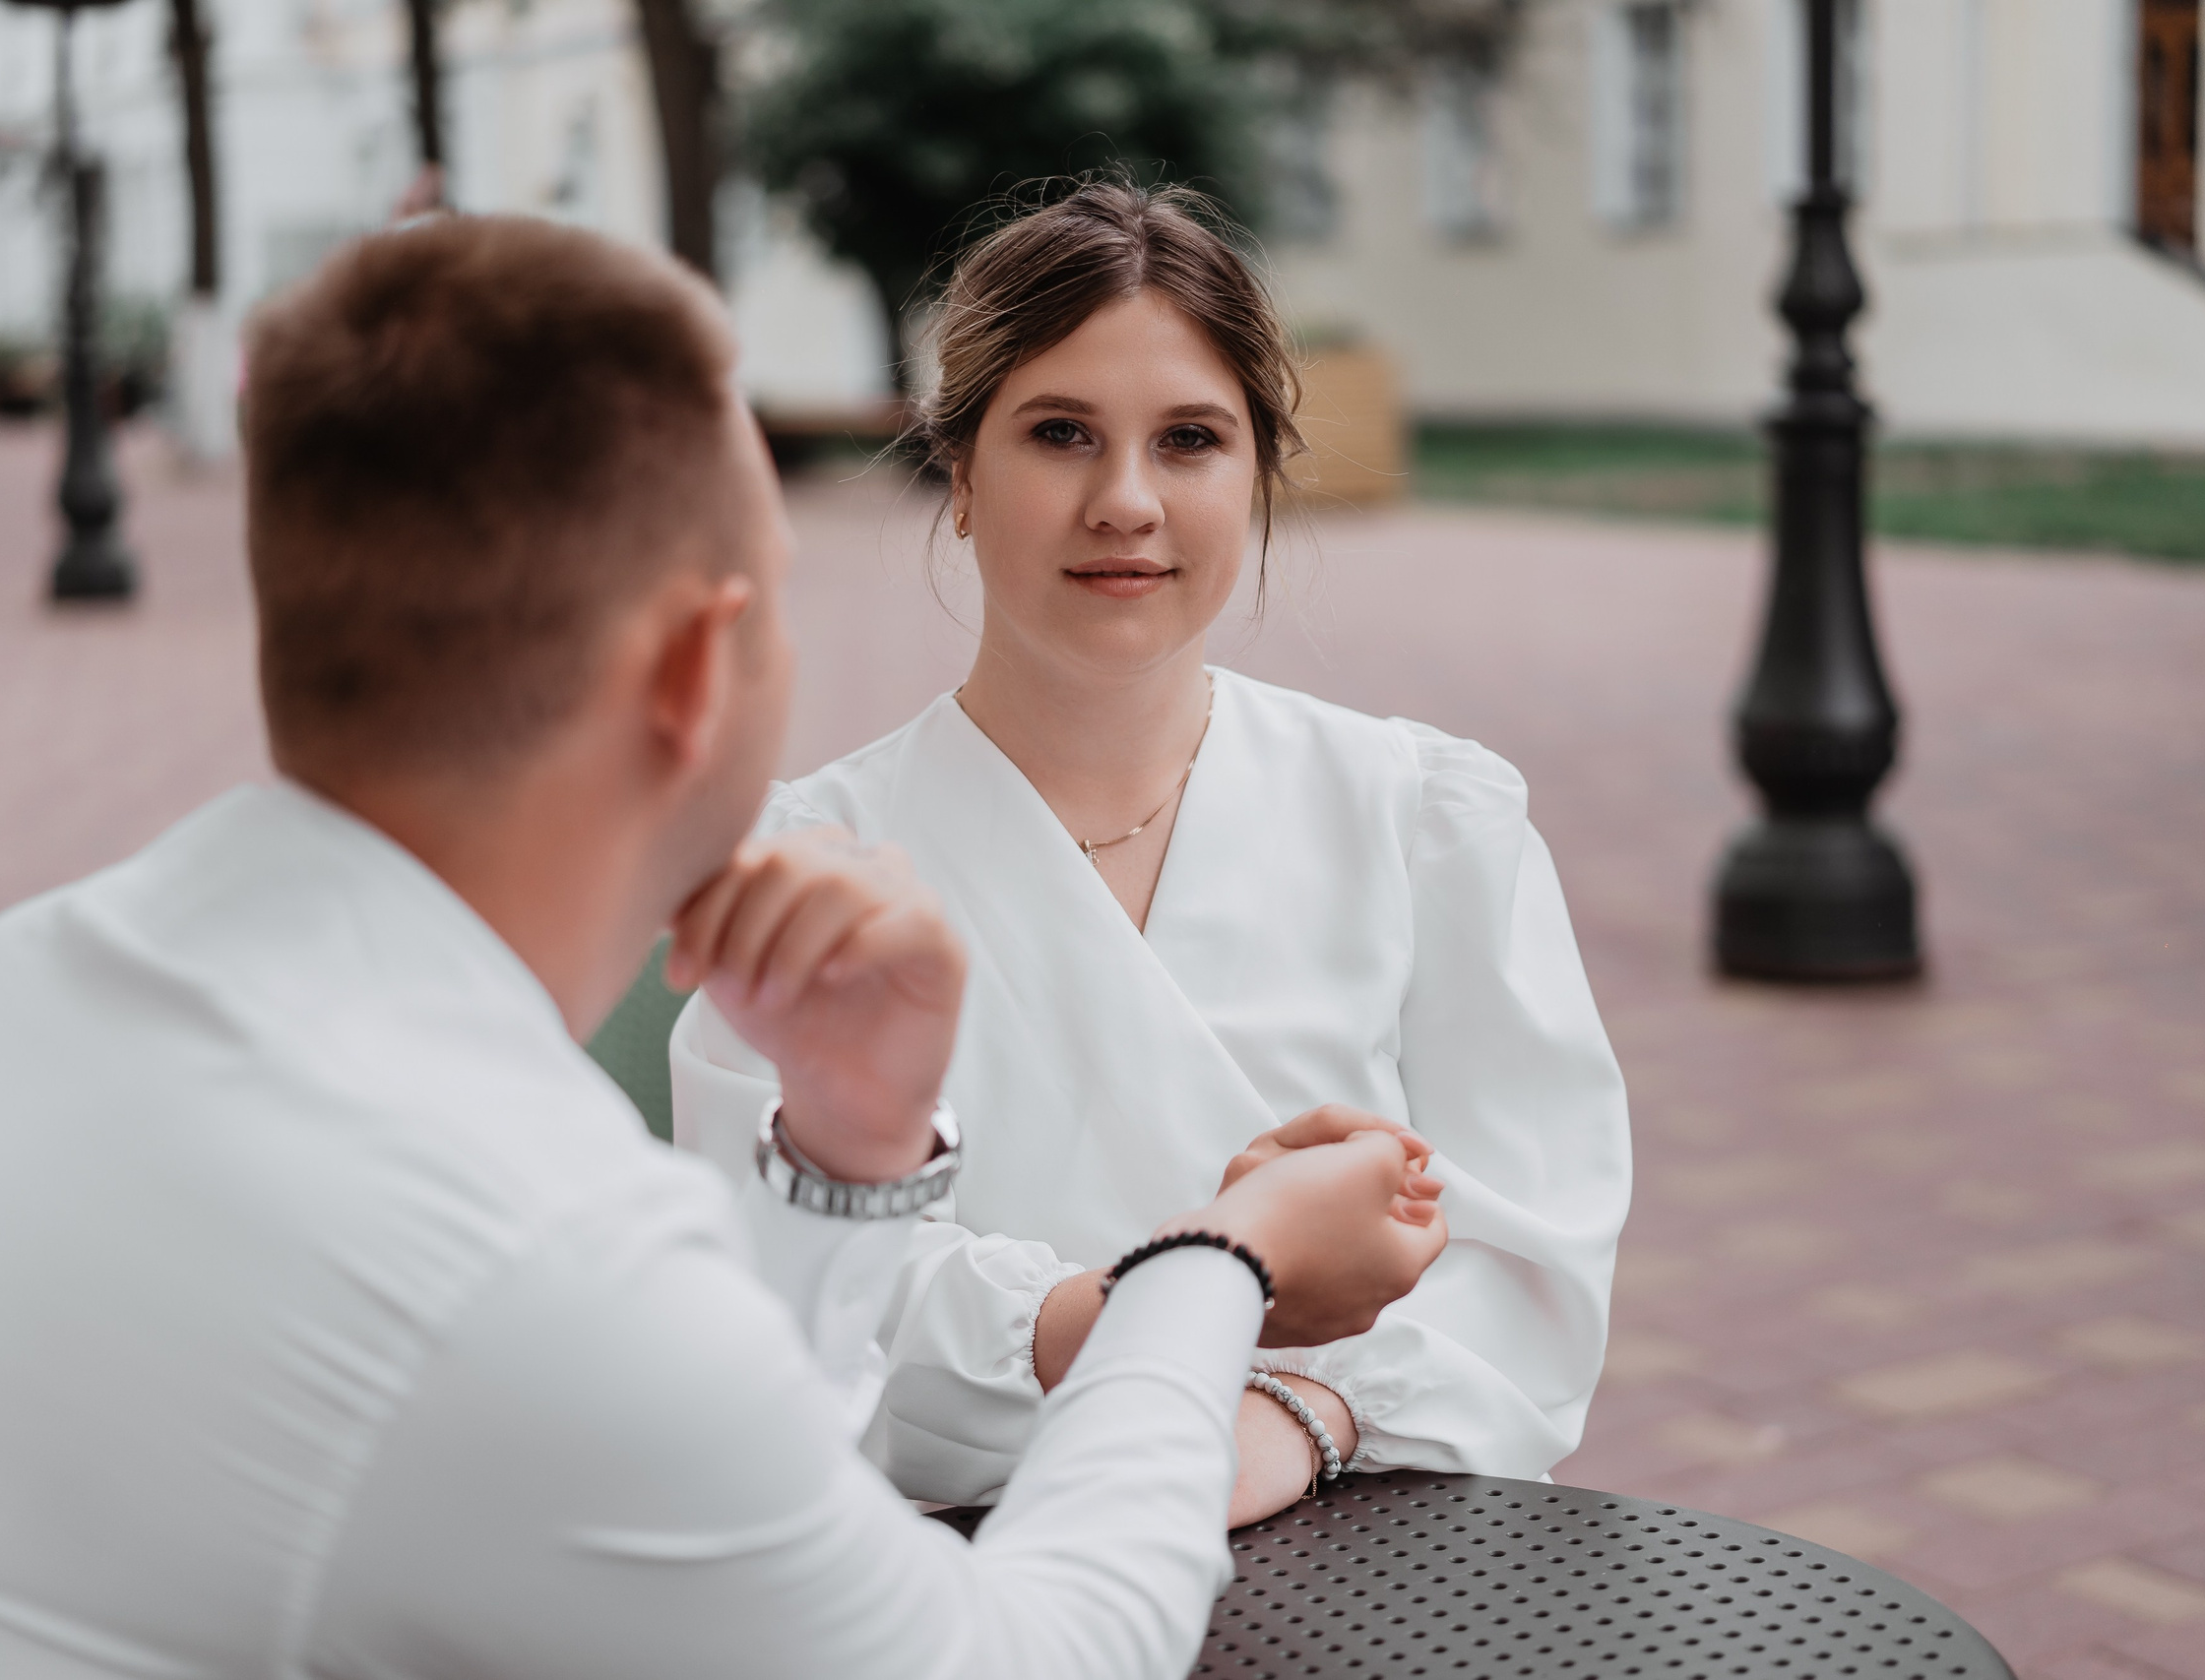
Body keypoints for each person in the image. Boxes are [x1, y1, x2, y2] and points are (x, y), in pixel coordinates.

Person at [0, 216, 1447, 1678]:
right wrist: (1220, 1262)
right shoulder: (507, 1237)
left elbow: (718, 1517)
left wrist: (852, 1156)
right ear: (693, 671)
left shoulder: (21, 977)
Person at [671, 179, 1632, 1527]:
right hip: (955, 1584)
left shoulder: (1427, 822)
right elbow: (790, 1300)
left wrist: (1304, 1414)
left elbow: (1533, 1266)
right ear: (959, 473)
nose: (1126, 500)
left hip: (1367, 1568)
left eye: (1189, 439)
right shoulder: (810, 864)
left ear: (1258, 475)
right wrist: (1182, 1315)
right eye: (1059, 433)